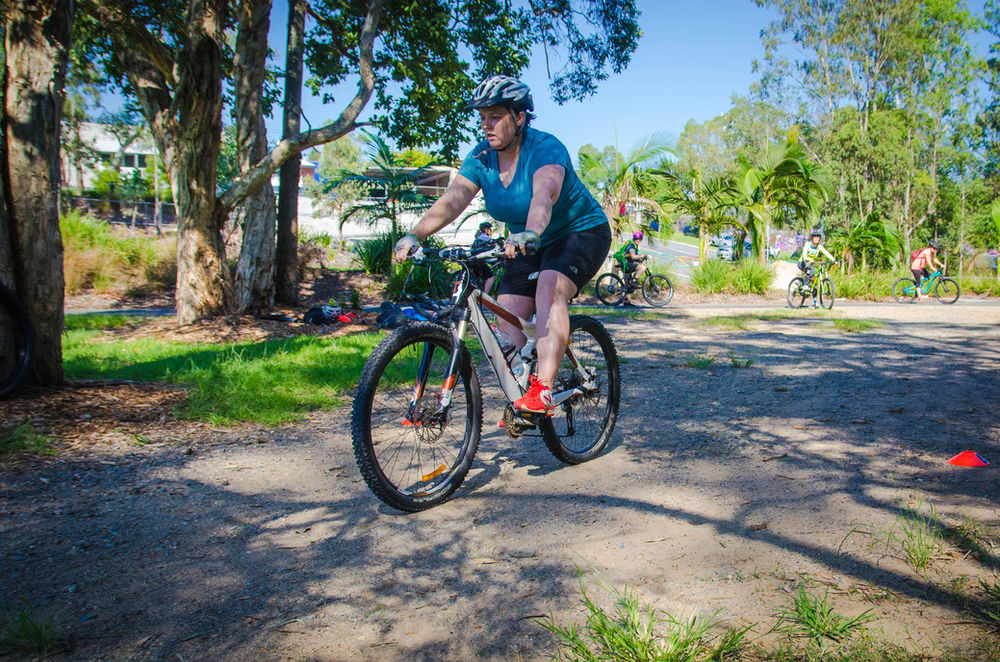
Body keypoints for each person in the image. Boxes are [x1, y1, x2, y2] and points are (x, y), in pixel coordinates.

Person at [394, 74, 612, 413]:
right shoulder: (481, 157)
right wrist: (415, 234)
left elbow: (545, 194)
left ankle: (543, 388)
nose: (486, 125)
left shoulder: (545, 148)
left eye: (495, 116)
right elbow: (452, 201)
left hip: (579, 232)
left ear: (519, 117)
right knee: (507, 312)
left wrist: (532, 232)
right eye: (482, 117)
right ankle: (523, 384)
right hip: (525, 241)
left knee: (549, 287)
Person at [798, 227, 835, 308]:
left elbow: (826, 253)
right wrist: (806, 259)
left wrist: (834, 260)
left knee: (814, 282)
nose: (816, 239)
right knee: (808, 270)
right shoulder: (808, 244)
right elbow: (804, 253)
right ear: (812, 238)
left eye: (818, 238)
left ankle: (815, 302)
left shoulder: (819, 247)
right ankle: (804, 284)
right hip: (803, 262)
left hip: (811, 264)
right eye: (815, 238)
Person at [613, 230, 648, 305]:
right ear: (634, 239)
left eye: (639, 239)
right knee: (643, 268)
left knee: (629, 287)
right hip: (626, 264)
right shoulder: (632, 246)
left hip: (625, 264)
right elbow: (633, 256)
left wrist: (640, 259)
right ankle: (634, 280)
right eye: (636, 239)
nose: (638, 240)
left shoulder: (634, 245)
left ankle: (625, 301)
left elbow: (632, 257)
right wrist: (643, 256)